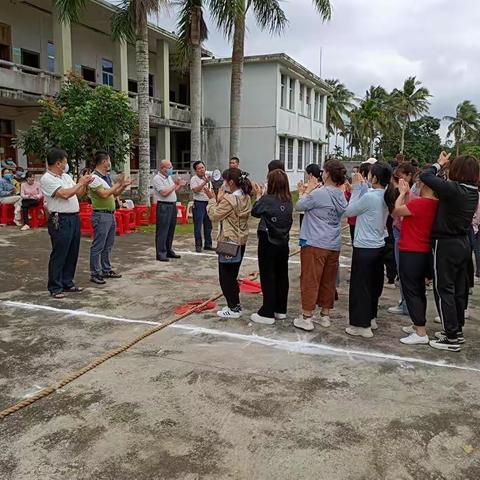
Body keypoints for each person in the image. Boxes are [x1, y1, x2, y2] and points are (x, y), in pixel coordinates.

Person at [420, 152, 479, 352]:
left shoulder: (455, 190)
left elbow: (426, 176)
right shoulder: (474, 191)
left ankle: (451, 337)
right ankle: (456, 331)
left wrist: (439, 163)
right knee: (459, 290)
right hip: (463, 242)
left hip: (445, 243)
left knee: (444, 288)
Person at [293, 160, 348, 332]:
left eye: (324, 171)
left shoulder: (319, 193)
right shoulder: (340, 194)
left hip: (315, 242)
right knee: (328, 280)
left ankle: (307, 317)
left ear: (328, 174)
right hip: (333, 243)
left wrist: (307, 190)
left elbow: (299, 206)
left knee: (310, 279)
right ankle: (325, 315)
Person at [345, 161, 393, 338]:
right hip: (378, 245)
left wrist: (356, 189)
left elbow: (348, 211)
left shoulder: (370, 197)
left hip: (365, 246)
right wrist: (363, 187)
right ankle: (371, 317)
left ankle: (361, 325)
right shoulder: (385, 194)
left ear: (375, 177)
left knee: (361, 287)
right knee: (373, 284)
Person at [40, 148, 93, 298]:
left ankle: (67, 282)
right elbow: (64, 194)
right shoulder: (47, 178)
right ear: (58, 163)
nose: (66, 164)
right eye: (65, 162)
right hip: (60, 219)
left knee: (72, 251)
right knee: (60, 252)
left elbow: (78, 193)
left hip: (73, 217)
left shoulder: (65, 176)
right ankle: (55, 286)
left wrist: (85, 183)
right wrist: (80, 183)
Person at [392, 176, 438, 345]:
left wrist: (401, 193)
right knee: (419, 290)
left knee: (411, 290)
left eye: (419, 183)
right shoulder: (436, 204)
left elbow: (396, 211)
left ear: (424, 185)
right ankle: (418, 324)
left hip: (411, 250)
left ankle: (420, 331)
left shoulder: (420, 203)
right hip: (424, 251)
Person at [206, 168, 252, 319]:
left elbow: (214, 215)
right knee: (232, 275)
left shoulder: (229, 200)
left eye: (225, 181)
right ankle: (234, 304)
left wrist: (212, 199)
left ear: (231, 182)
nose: (224, 184)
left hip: (228, 241)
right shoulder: (246, 197)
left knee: (225, 277)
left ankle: (233, 308)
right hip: (241, 240)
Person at [251, 169, 293, 325]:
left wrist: (259, 195)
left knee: (268, 275)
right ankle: (280, 309)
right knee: (282, 275)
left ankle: (267, 312)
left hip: (268, 242)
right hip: (283, 242)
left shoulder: (267, 199)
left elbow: (255, 211)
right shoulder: (288, 200)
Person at [88, 151, 131, 285]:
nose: (110, 163)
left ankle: (106, 269)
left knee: (108, 245)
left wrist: (122, 186)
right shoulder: (94, 178)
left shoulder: (106, 177)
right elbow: (104, 194)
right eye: (109, 160)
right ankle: (95, 273)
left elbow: (114, 193)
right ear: (103, 161)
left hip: (110, 213)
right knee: (98, 245)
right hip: (100, 214)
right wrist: (118, 184)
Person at [387, 162, 418, 314]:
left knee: (403, 271)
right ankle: (405, 302)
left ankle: (406, 305)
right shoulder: (408, 194)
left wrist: (400, 193)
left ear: (409, 177)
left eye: (400, 177)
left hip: (403, 233)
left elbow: (396, 213)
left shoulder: (409, 195)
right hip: (399, 232)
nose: (397, 181)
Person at [153, 160, 186, 262]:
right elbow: (164, 193)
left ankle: (168, 249)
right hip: (164, 205)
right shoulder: (157, 178)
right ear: (163, 168)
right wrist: (174, 184)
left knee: (170, 229)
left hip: (172, 205)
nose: (171, 169)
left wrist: (179, 185)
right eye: (169, 167)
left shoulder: (169, 178)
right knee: (163, 230)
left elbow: (173, 190)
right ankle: (161, 253)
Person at [190, 161, 214, 253]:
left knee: (208, 225)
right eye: (199, 168)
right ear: (196, 170)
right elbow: (195, 190)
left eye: (202, 167)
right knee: (198, 225)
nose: (201, 170)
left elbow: (210, 191)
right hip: (199, 204)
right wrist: (204, 182)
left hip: (208, 203)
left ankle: (208, 244)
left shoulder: (207, 178)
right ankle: (198, 245)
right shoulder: (194, 179)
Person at [297, 164, 322, 229]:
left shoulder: (311, 188)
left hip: (308, 219)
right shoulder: (321, 187)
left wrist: (301, 192)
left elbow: (301, 206)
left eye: (306, 173)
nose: (305, 175)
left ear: (310, 174)